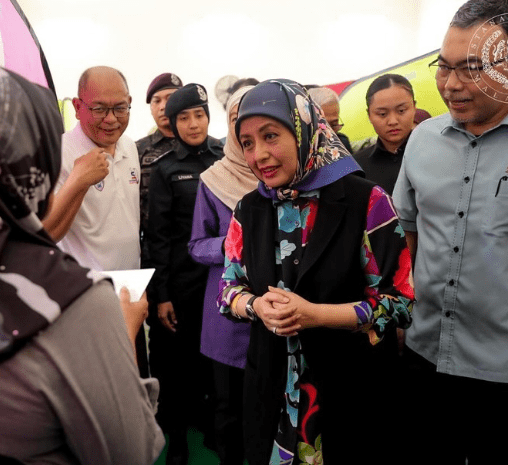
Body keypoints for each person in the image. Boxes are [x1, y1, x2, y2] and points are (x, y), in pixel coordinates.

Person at [0, 63, 164, 465]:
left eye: (120, 107)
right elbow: (130, 452)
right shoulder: (72, 301)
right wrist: (122, 331)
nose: (110, 119)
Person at [218, 79, 414, 464]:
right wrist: (256, 307)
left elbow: (400, 303)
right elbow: (228, 291)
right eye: (247, 143)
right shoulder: (249, 210)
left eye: (270, 136)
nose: (259, 154)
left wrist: (316, 315)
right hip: (272, 387)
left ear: (303, 130)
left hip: (352, 388)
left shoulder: (366, 201)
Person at [392, 1, 508, 463]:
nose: (450, 84)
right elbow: (408, 236)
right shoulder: (422, 140)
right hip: (423, 355)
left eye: (471, 68)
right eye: (444, 66)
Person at [147, 83, 224, 465]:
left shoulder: (226, 159)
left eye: (199, 115)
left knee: (214, 361)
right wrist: (161, 294)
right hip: (180, 282)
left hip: (221, 279)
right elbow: (158, 237)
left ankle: (214, 427)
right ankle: (176, 437)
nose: (193, 124)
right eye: (184, 117)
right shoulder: (165, 169)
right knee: (176, 364)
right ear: (173, 123)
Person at [187, 85, 257, 465]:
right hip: (227, 316)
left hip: (279, 312)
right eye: (235, 118)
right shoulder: (213, 180)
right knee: (228, 410)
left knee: (271, 408)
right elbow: (197, 245)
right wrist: (236, 243)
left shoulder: (288, 174)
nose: (244, 125)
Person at [42, 66, 141, 272]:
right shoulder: (57, 153)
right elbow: (45, 234)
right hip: (84, 285)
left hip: (131, 281)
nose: (111, 119)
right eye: (99, 109)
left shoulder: (130, 146)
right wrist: (78, 180)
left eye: (120, 108)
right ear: (78, 107)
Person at [136, 72, 183, 266]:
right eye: (156, 101)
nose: (163, 106)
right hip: (152, 252)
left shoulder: (206, 149)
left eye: (170, 98)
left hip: (195, 253)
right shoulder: (137, 151)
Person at [353, 74, 417, 195]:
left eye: (401, 111)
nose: (393, 121)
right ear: (369, 115)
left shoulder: (436, 151)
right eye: (382, 114)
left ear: (414, 107)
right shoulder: (357, 168)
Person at [307, 86, 354, 153]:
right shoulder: (297, 151)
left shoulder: (342, 145)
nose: (329, 134)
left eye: (334, 125)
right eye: (322, 127)